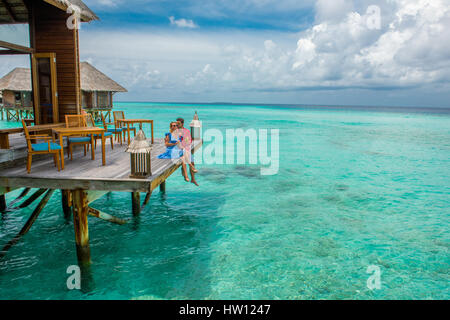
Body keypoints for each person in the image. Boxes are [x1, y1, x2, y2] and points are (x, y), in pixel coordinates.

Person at [176, 117, 199, 186]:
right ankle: (186, 174)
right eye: (176, 124)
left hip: (185, 148)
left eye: (178, 124)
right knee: (184, 159)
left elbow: (189, 141)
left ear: (182, 124)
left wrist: (185, 144)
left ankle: (193, 179)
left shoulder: (186, 131)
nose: (177, 125)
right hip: (178, 149)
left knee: (192, 161)